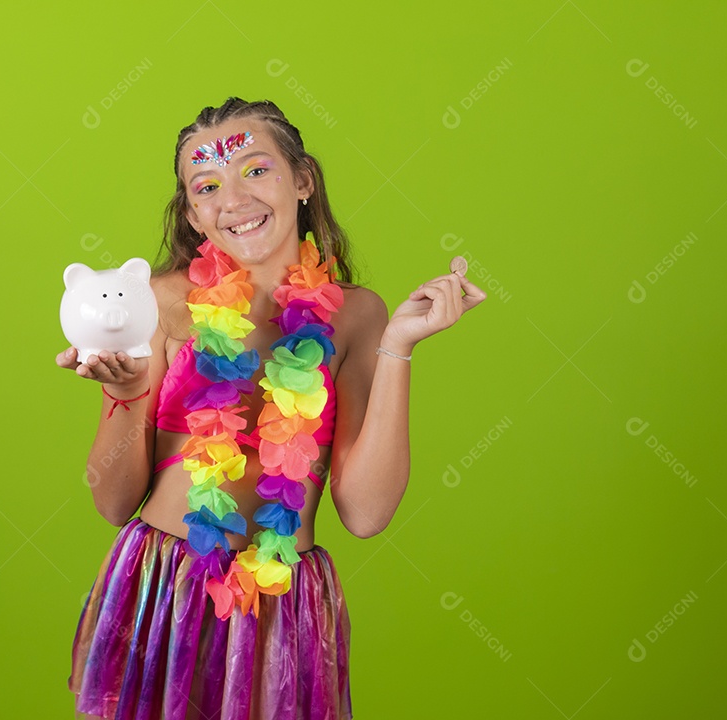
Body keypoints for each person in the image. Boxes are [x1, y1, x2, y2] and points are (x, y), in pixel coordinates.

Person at [57, 97, 486, 719]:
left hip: (282, 605)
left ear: (303, 180)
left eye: (256, 169)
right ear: (194, 214)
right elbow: (112, 501)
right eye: (206, 185)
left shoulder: (357, 315)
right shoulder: (155, 301)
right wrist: (125, 397)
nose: (233, 198)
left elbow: (365, 512)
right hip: (164, 590)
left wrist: (397, 348)